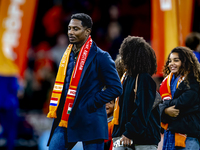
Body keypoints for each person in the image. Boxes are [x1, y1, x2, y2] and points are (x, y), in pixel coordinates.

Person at [47, 13, 123, 150]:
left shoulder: (101, 57)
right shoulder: (66, 56)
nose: (70, 32)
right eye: (69, 28)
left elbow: (116, 88)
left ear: (87, 31)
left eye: (76, 29)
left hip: (91, 120)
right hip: (66, 119)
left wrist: (92, 102)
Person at [112, 36, 161, 150]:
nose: (122, 57)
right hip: (126, 137)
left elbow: (142, 110)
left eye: (124, 53)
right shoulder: (127, 78)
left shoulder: (144, 78)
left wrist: (130, 132)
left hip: (142, 140)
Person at [159, 46, 200, 150]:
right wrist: (165, 110)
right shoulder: (166, 82)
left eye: (176, 60)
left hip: (188, 136)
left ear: (185, 61)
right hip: (169, 134)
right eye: (170, 61)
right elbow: (155, 105)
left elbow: (182, 102)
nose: (171, 63)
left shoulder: (194, 80)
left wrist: (163, 107)